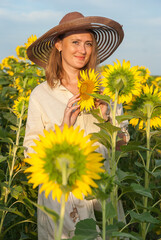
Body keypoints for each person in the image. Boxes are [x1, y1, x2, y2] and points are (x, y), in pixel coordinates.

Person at [23, 11, 128, 240]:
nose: (82, 50)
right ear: (58, 45)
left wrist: (107, 119)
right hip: (61, 202)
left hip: (102, 196)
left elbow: (122, 148)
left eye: (88, 43)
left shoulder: (107, 91)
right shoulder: (41, 95)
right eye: (76, 42)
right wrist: (63, 129)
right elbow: (31, 152)